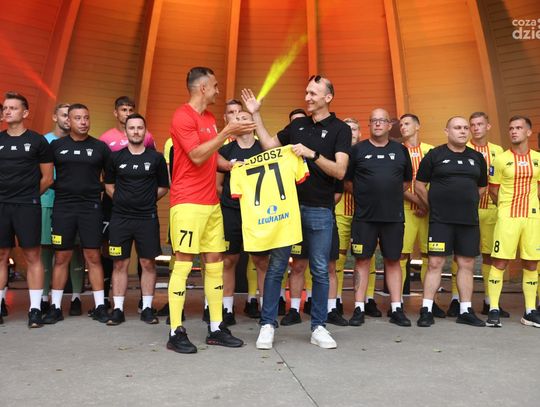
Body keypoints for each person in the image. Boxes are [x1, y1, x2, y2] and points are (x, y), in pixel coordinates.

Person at [242, 74, 351, 349]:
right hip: (286, 208)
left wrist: (312, 154)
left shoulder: (340, 129)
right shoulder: (298, 125)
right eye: (306, 92)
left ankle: (319, 327)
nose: (307, 97)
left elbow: (340, 171)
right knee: (277, 266)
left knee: (321, 269)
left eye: (313, 93)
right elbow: (269, 145)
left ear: (328, 97)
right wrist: (256, 114)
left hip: (320, 208)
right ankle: (267, 324)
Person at [166, 67, 255, 354]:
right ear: (203, 87)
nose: (218, 90)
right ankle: (175, 331)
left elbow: (212, 154)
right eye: (215, 86)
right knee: (183, 263)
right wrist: (228, 132)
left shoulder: (209, 118)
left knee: (215, 261)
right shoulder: (182, 116)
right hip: (188, 202)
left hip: (211, 203)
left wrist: (231, 165)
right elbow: (196, 155)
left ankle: (216, 327)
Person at [415, 116, 487, 327]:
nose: (463, 131)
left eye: (465, 128)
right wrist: (433, 206)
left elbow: (482, 186)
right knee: (435, 263)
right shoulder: (435, 155)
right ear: (447, 131)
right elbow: (419, 185)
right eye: (457, 128)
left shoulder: (477, 157)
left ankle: (465, 310)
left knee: (466, 264)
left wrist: (467, 201)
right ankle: (426, 309)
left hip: (468, 221)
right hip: (441, 221)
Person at [43, 104, 111, 324]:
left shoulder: (100, 147)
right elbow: (44, 176)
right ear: (68, 121)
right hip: (63, 207)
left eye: (86, 118)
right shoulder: (55, 146)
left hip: (91, 207)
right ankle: (55, 307)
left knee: (93, 256)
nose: (83, 122)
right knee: (61, 257)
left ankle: (100, 307)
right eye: (78, 118)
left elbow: (111, 179)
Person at [346, 108, 412, 327]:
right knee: (362, 260)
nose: (377, 124)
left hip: (393, 216)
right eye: (373, 120)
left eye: (381, 120)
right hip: (364, 217)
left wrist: (387, 195)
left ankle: (396, 308)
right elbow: (347, 181)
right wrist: (365, 196)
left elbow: (406, 181)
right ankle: (359, 308)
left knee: (393, 260)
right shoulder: (358, 150)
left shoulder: (400, 150)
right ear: (369, 124)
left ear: (389, 125)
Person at [104, 113, 169, 325]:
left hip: (146, 218)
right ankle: (118, 310)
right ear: (126, 131)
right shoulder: (115, 157)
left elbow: (164, 186)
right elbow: (109, 185)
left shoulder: (156, 158)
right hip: (120, 218)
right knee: (119, 263)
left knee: (147, 263)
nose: (136, 131)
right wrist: (121, 200)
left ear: (145, 131)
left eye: (140, 128)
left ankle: (147, 308)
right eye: (131, 128)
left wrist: (147, 199)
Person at [0, 92, 54, 327]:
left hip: (27, 206)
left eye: (13, 108)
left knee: (32, 256)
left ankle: (34, 309)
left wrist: (29, 196)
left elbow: (47, 178)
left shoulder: (37, 141)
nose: (7, 111)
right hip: (2, 205)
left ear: (25, 112)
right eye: (5, 108)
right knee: (1, 255)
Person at [100, 96, 156, 311]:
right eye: (123, 110)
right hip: (115, 207)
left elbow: (156, 173)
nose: (127, 113)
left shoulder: (148, 138)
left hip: (144, 211)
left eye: (130, 109)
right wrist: (120, 199)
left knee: (146, 258)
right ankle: (110, 301)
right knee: (113, 255)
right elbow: (105, 175)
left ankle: (145, 302)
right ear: (116, 113)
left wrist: (145, 199)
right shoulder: (106, 138)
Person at [486, 115, 540, 328]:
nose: (514, 131)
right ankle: (493, 309)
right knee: (500, 262)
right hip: (508, 217)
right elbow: (493, 190)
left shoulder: (538, 158)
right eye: (511, 128)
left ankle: (530, 311)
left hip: (532, 217)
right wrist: (505, 209)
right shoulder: (500, 159)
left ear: (528, 132)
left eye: (518, 128)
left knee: (532, 263)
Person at [217, 110, 269, 325]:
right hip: (231, 211)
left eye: (244, 118)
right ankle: (227, 309)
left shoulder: (264, 149)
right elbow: (218, 185)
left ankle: (266, 311)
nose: (240, 121)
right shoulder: (225, 150)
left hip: (258, 212)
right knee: (229, 260)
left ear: (254, 123)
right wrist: (233, 199)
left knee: (261, 261)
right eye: (236, 118)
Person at [40, 103, 85, 317]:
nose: (68, 119)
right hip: (48, 201)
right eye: (64, 115)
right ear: (54, 117)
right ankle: (44, 298)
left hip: (73, 204)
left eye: (71, 115)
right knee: (46, 249)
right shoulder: (44, 142)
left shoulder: (83, 142)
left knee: (75, 249)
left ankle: (76, 297)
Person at [398, 114, 444, 317]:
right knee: (401, 256)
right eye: (401, 124)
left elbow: (437, 182)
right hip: (405, 209)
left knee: (430, 256)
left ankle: (429, 303)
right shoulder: (397, 150)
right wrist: (419, 203)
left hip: (428, 210)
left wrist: (426, 205)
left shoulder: (431, 151)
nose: (403, 127)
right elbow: (395, 183)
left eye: (407, 123)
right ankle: (397, 303)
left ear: (418, 126)